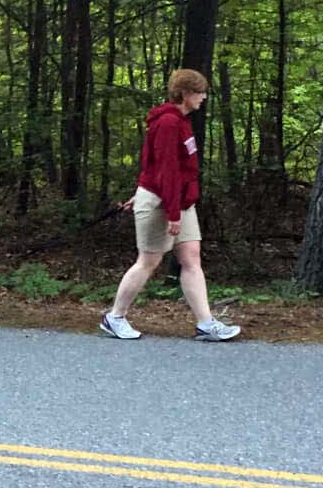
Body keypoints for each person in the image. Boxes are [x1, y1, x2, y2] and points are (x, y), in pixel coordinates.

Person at [101, 68, 241, 342]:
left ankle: (206, 323)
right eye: (200, 93)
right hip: (163, 203)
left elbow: (163, 167)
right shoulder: (167, 123)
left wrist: (171, 204)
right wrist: (170, 211)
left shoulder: (182, 121)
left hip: (179, 201)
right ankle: (114, 317)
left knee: (191, 258)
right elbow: (166, 171)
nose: (203, 98)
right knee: (149, 261)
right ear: (186, 94)